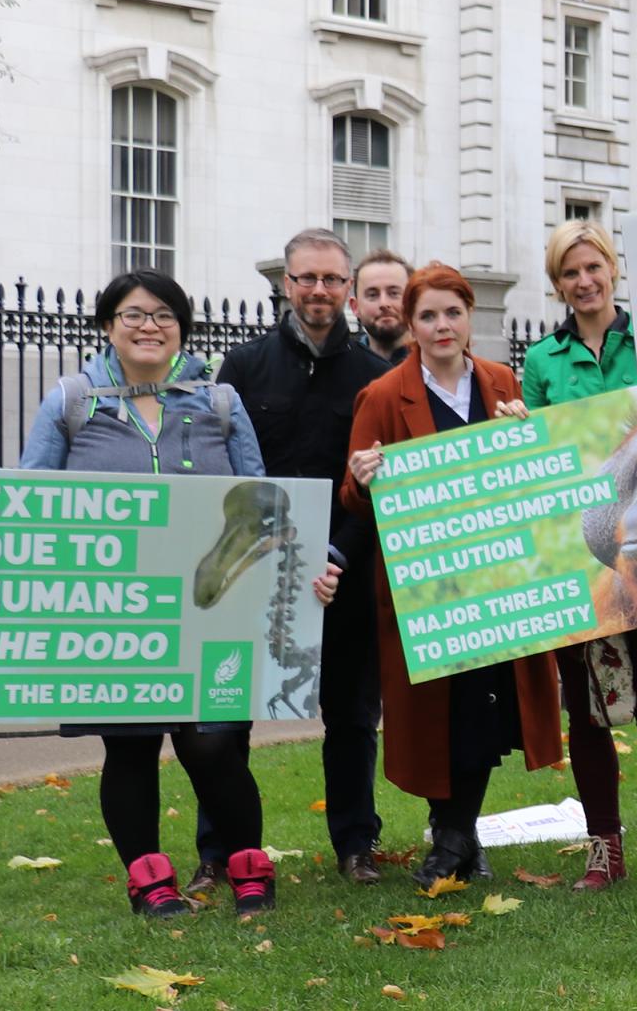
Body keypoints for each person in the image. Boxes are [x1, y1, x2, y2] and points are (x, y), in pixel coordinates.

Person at [0, 269, 338, 917]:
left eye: (163, 314)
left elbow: (264, 503)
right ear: (107, 326)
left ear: (181, 328)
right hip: (117, 615)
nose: (148, 325)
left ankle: (246, 865)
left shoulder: (219, 403)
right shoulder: (71, 401)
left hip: (212, 611)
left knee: (212, 740)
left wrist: (305, 569)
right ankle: (149, 880)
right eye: (132, 314)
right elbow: (28, 497)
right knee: (128, 744)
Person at [344, 264, 564, 888]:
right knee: (443, 711)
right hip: (428, 587)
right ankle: (455, 838)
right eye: (428, 316)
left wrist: (527, 442)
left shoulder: (498, 383)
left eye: (452, 313)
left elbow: (528, 479)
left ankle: (454, 839)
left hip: (497, 579)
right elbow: (354, 498)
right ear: (411, 326)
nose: (442, 326)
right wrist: (363, 479)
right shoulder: (384, 397)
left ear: (469, 317)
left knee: (486, 706)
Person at [515, 219, 637, 894]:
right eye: (570, 272)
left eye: (594, 268)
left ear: (613, 270)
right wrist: (518, 431)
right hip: (576, 550)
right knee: (586, 709)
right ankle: (603, 846)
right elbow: (535, 456)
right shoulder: (542, 362)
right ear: (557, 283)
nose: (584, 282)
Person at [216, 228, 391, 887]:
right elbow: (228, 470)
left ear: (348, 289)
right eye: (306, 278)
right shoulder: (242, 368)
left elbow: (382, 486)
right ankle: (223, 849)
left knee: (351, 716)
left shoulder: (377, 378)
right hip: (257, 570)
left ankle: (356, 845)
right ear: (286, 285)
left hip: (342, 570)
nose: (319, 291)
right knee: (228, 714)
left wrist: (338, 554)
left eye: (332, 279)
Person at [350, 249, 412, 363]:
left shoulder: (438, 365)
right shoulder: (342, 370)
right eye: (372, 295)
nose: (384, 303)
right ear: (355, 307)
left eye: (394, 293)